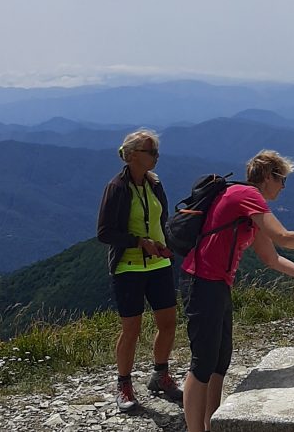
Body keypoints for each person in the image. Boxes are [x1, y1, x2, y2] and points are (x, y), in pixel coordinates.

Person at [180, 150, 294, 432]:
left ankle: (210, 424)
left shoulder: (245, 204)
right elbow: (283, 238)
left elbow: (272, 258)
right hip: (203, 281)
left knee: (220, 359)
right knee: (203, 362)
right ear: (269, 177)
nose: (283, 187)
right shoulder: (248, 196)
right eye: (282, 180)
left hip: (216, 283)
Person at [95, 129, 181, 412]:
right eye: (151, 151)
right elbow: (105, 232)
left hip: (159, 264)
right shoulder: (116, 188)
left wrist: (167, 245)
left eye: (156, 151)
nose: (156, 156)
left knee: (168, 323)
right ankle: (123, 384)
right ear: (132, 156)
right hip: (128, 267)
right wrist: (138, 242)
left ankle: (160, 375)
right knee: (131, 329)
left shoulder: (154, 183)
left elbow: (162, 219)